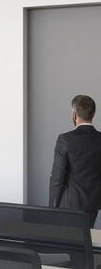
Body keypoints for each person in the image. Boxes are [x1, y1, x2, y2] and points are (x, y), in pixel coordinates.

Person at [51, 94, 101, 226]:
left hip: (70, 204)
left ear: (74, 115)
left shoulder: (65, 140)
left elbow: (57, 177)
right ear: (93, 114)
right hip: (93, 204)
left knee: (68, 237)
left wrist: (53, 206)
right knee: (86, 236)